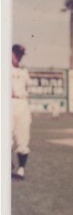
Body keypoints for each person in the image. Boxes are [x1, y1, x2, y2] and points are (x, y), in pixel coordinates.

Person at [11, 44, 32, 180]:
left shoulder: (24, 71)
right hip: (8, 102)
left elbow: (28, 87)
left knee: (23, 136)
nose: (18, 57)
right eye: (16, 54)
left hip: (22, 103)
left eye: (20, 55)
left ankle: (21, 169)